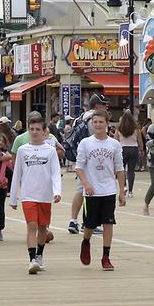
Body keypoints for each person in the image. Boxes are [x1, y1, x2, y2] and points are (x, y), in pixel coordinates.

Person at [10, 115, 62, 273]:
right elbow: (17, 174)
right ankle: (32, 259)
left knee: (42, 228)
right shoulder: (22, 150)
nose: (34, 132)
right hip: (28, 194)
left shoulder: (51, 151)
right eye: (31, 129)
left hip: (45, 195)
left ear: (44, 131)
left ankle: (40, 254)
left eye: (38, 129)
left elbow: (55, 173)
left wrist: (57, 191)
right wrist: (13, 197)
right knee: (31, 225)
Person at [76, 109, 125, 270]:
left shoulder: (114, 144)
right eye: (95, 122)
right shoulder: (85, 143)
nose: (97, 125)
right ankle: (86, 242)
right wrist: (86, 184)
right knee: (89, 224)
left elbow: (119, 169)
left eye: (101, 122)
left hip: (108, 189)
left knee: (108, 222)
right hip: (91, 191)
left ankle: (106, 256)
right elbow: (79, 167)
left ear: (107, 124)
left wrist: (122, 192)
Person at [62, 94, 109, 234]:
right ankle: (87, 222)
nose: (106, 106)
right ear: (96, 106)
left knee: (81, 189)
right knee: (89, 191)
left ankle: (75, 221)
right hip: (92, 158)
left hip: (80, 156)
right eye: (103, 104)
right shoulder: (95, 119)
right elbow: (99, 138)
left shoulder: (81, 117)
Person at [114, 110, 140, 198]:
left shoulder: (119, 128)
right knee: (131, 171)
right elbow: (139, 139)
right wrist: (142, 149)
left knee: (121, 169)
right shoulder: (135, 128)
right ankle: (130, 191)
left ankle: (123, 186)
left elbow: (115, 139)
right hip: (133, 148)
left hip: (122, 148)